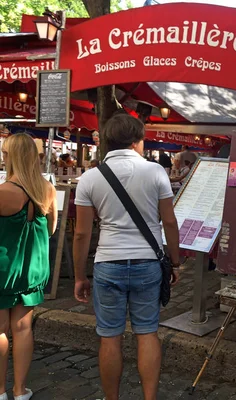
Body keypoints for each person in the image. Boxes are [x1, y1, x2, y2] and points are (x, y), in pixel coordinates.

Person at [72, 113, 181, 400]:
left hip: (108, 262)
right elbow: (169, 222)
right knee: (147, 333)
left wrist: (80, 276)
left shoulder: (89, 178)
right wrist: (176, 260)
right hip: (148, 262)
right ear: (137, 140)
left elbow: (82, 234)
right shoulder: (156, 172)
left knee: (110, 337)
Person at [0, 133, 58, 400]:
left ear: (11, 157)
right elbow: (51, 229)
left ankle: (0, 391)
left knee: (0, 330)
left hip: (4, 269)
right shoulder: (47, 189)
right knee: (23, 329)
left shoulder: (4, 192)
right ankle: (20, 391)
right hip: (32, 270)